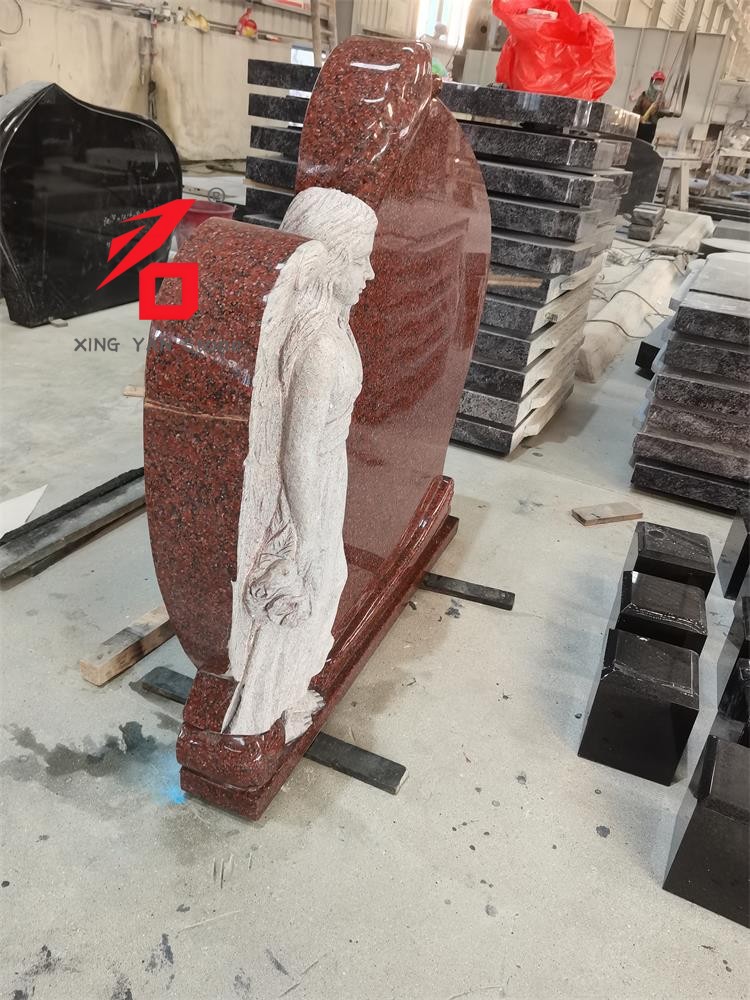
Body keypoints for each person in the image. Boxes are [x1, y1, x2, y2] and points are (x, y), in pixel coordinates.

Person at [222, 187, 378, 743]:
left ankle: (285, 692)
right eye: (360, 260)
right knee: (309, 586)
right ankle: (260, 711)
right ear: (328, 261)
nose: (370, 274)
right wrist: (307, 534)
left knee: (323, 585)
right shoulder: (320, 348)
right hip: (309, 487)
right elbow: (296, 451)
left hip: (327, 474)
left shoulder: (329, 326)